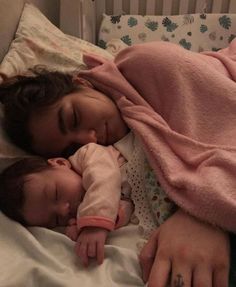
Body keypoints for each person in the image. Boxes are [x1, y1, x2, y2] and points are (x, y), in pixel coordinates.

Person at [1, 40, 236, 286]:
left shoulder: (145, 64)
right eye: (73, 148)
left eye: (74, 118)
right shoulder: (113, 153)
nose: (90, 138)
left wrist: (200, 213)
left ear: (81, 84)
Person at [0, 143, 134, 267]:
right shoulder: (85, 215)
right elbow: (126, 206)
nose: (64, 211)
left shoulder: (88, 154)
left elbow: (105, 178)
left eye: (56, 194)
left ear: (60, 163)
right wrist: (81, 227)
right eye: (56, 219)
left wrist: (94, 224)